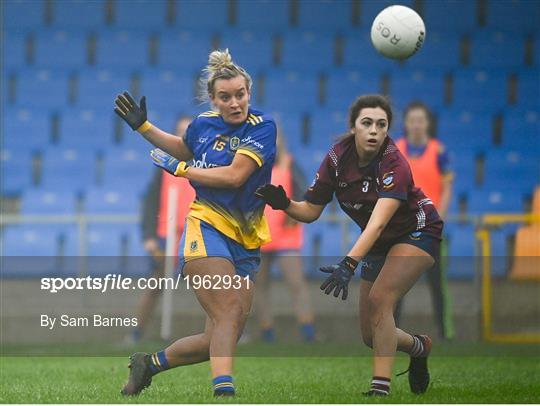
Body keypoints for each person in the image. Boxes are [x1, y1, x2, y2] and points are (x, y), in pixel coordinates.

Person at [114, 49, 276, 397]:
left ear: (249, 91)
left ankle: (150, 363)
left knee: (219, 334)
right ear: (213, 100)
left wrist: (182, 170)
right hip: (206, 228)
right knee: (229, 311)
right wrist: (144, 127)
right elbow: (184, 148)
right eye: (225, 97)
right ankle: (224, 392)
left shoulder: (263, 128)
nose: (235, 102)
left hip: (246, 239)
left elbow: (235, 176)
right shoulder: (201, 124)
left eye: (240, 94)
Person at [256, 95, 443, 396]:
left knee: (381, 299)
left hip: (419, 231)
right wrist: (285, 204)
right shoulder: (336, 158)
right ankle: (418, 346)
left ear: (387, 130)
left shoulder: (394, 162)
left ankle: (379, 389)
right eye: (366, 123)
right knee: (371, 335)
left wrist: (348, 263)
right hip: (379, 241)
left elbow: (378, 223)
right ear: (353, 126)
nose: (373, 130)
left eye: (381, 125)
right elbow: (311, 211)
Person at [126, 116, 195, 344]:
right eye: (180, 131)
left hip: (199, 233)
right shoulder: (163, 166)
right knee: (155, 284)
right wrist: (149, 237)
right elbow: (150, 203)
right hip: (168, 237)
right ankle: (136, 332)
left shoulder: (207, 163)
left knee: (211, 285)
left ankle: (226, 329)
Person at [394, 101, 455, 340]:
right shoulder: (396, 150)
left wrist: (440, 217)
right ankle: (391, 331)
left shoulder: (439, 151)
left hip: (431, 230)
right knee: (396, 285)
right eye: (412, 120)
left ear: (427, 124)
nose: (417, 125)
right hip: (402, 230)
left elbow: (447, 187)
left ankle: (445, 333)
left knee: (438, 285)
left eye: (421, 120)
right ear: (406, 124)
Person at [255, 131, 316, 342]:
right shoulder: (255, 166)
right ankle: (267, 331)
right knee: (260, 286)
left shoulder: (291, 165)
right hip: (260, 235)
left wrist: (294, 213)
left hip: (286, 237)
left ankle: (308, 331)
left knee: (296, 284)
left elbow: (306, 193)